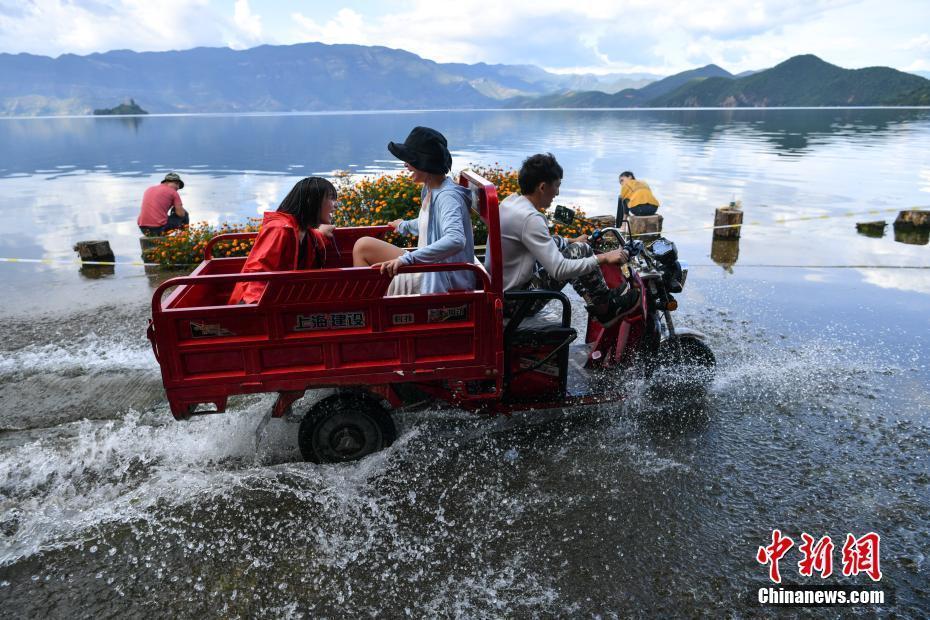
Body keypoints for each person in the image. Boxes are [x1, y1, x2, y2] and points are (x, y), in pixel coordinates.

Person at [499, 153, 639, 326]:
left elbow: (541, 241)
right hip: (516, 302)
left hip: (504, 292)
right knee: (581, 251)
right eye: (557, 186)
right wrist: (604, 257)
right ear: (542, 187)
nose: (557, 193)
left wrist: (570, 241)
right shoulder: (531, 218)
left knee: (575, 249)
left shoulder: (510, 203)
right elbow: (559, 269)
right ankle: (606, 307)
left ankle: (596, 302)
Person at [353, 126, 476, 294]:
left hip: (438, 278)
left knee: (363, 248)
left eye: (410, 160)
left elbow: (456, 239)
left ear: (425, 164)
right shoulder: (431, 188)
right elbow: (431, 224)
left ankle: (367, 305)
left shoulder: (447, 196)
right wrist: (404, 225)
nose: (405, 165)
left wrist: (408, 259)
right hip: (430, 267)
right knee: (363, 246)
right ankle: (368, 299)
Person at [228, 177, 337, 305]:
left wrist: (322, 232)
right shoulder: (279, 229)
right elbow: (258, 271)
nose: (336, 204)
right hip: (253, 305)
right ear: (310, 201)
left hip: (279, 299)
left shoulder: (305, 232)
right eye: (330, 198)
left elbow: (313, 237)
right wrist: (254, 306)